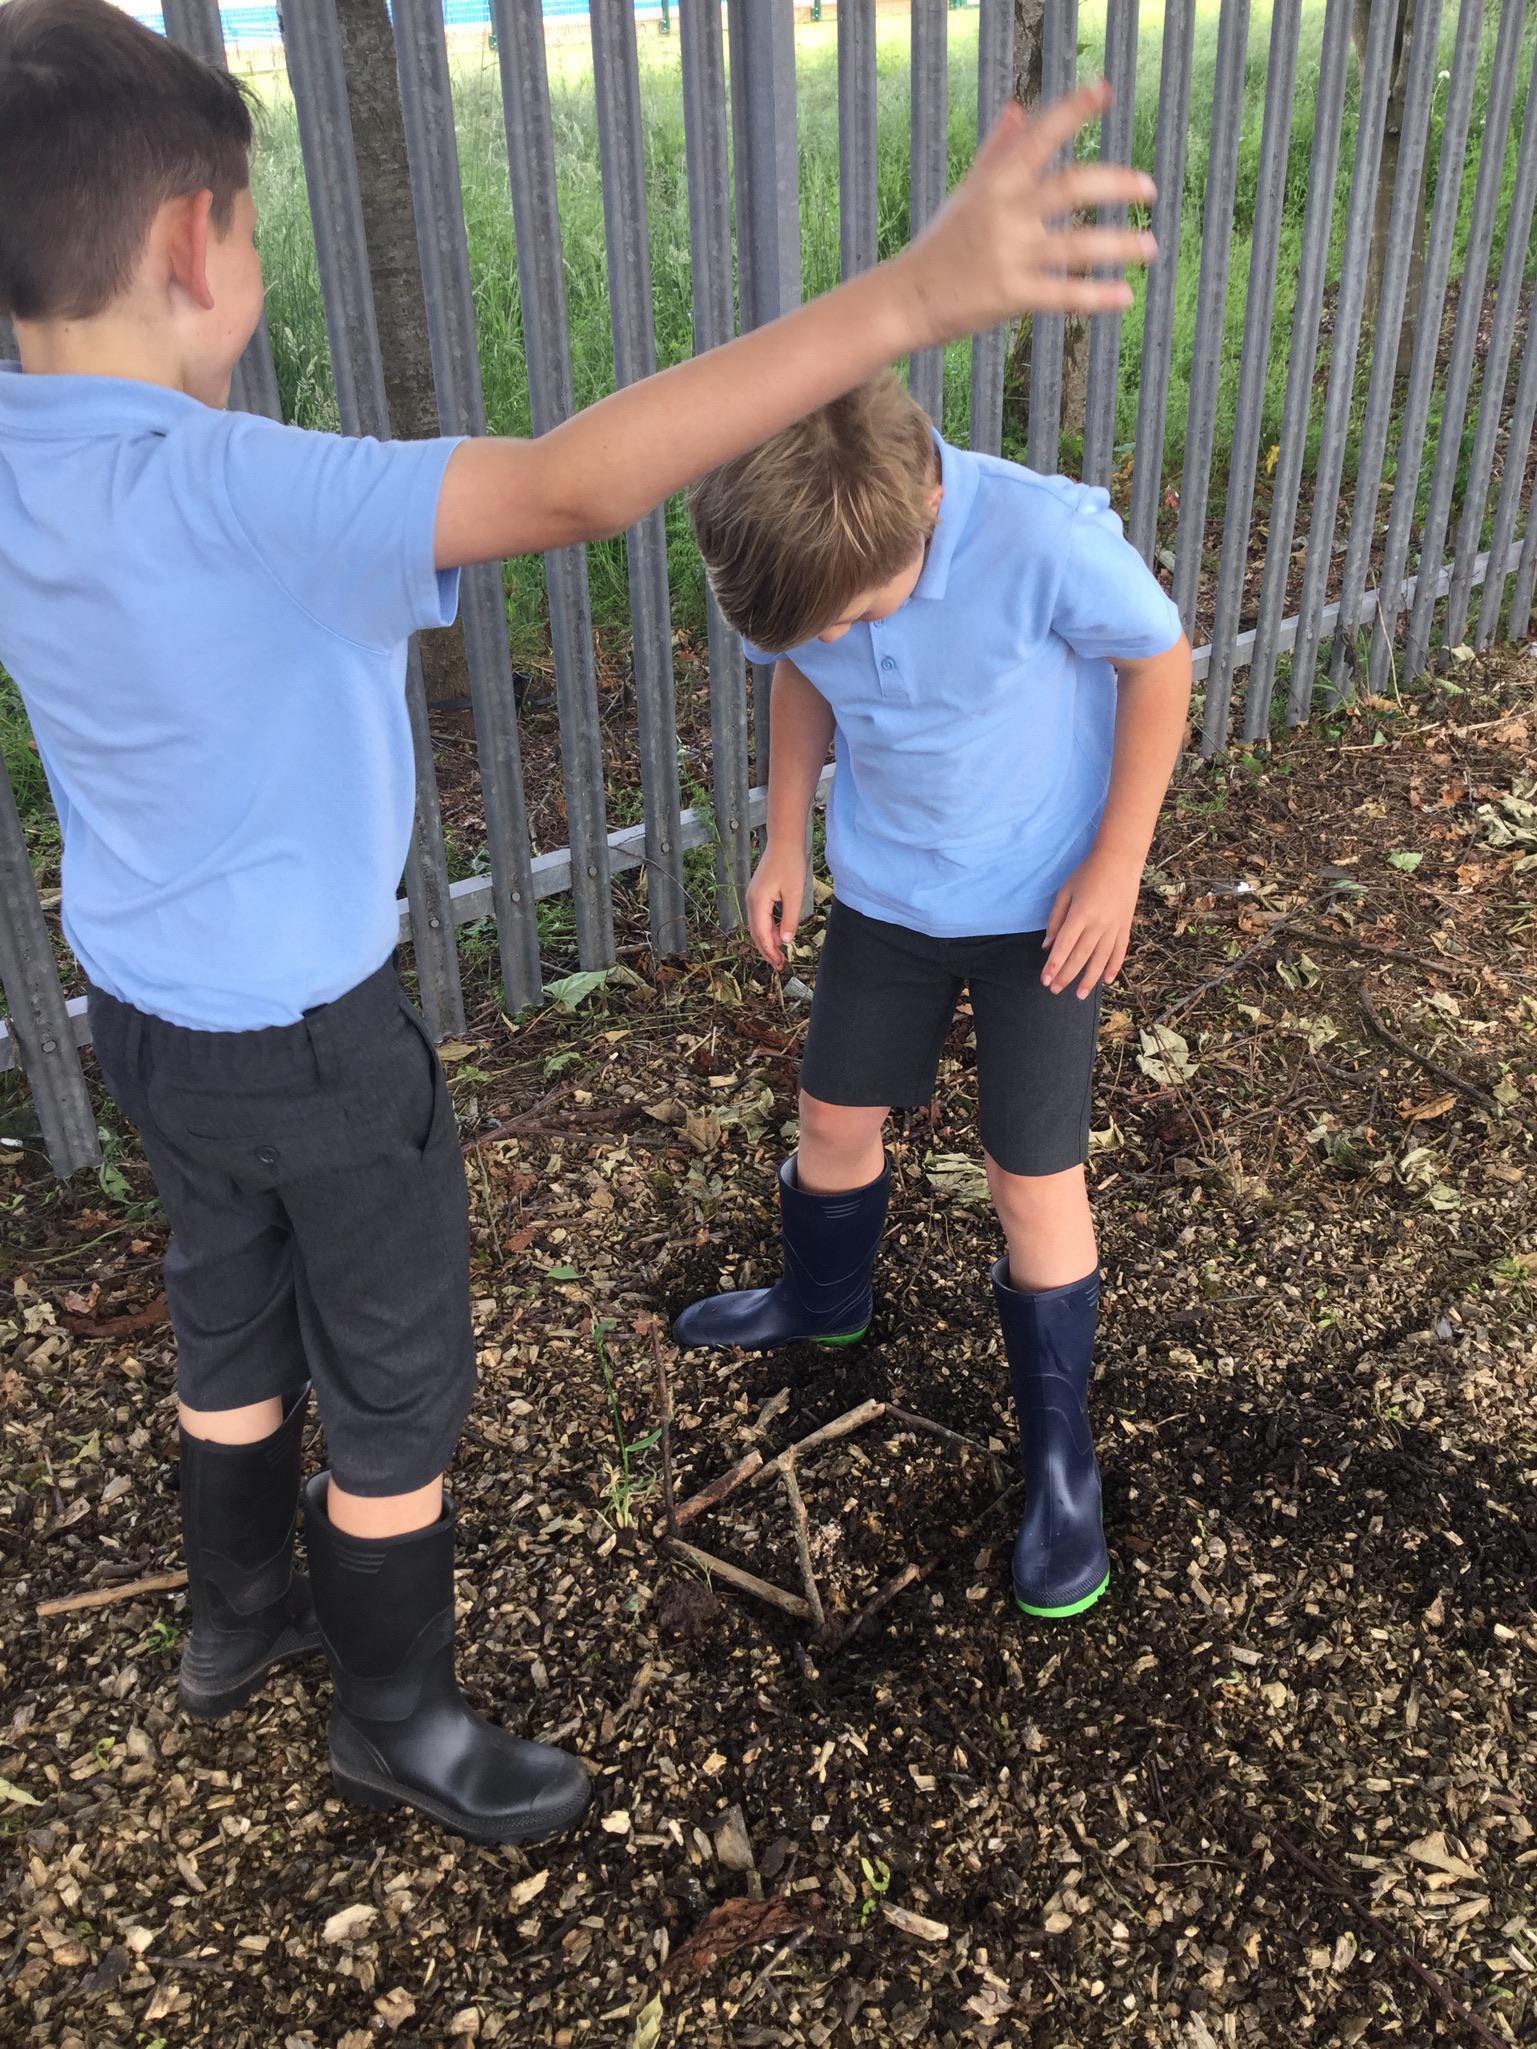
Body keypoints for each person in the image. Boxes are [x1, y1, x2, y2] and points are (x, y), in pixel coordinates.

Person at [0, 0, 1157, 1841]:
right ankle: (396, 1714)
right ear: (193, 243)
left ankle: (232, 1622)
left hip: (141, 1021)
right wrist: (905, 300)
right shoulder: (244, 486)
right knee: (393, 1384)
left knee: (227, 1309)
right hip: (313, 1037)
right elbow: (570, 481)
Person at [677, 371, 1192, 1623]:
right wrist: (784, 839)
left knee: (1031, 1178)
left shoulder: (1043, 537)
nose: (835, 642)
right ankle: (823, 1302)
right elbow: (802, 674)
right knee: (831, 1120)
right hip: (890, 898)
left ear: (923, 512)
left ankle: (1059, 1462)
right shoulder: (810, 560)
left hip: (1042, 913)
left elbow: (1158, 661)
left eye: (855, 617)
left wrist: (1116, 863)